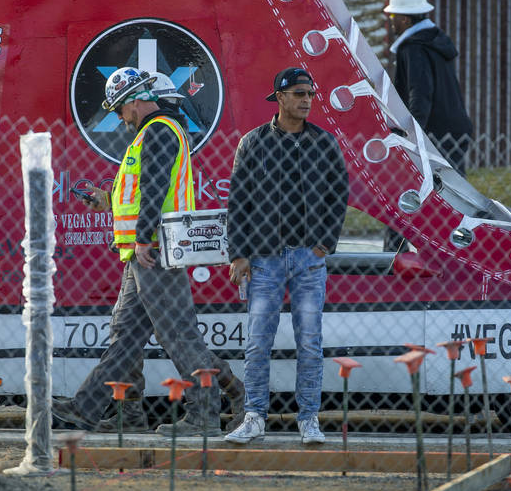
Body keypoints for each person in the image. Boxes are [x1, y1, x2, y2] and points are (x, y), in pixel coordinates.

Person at [52, 67, 232, 436]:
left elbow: (153, 189)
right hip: (145, 251)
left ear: (136, 100)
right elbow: (137, 193)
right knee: (125, 335)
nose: (119, 117)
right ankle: (94, 408)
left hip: (156, 248)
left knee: (178, 334)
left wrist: (144, 237)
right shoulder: (149, 135)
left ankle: (204, 415)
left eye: (121, 109)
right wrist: (107, 200)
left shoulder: (159, 131)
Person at [224, 67, 349, 446]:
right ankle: (254, 417)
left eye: (310, 93)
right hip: (264, 259)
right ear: (279, 97)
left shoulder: (324, 143)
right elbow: (238, 203)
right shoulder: (254, 143)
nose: (307, 100)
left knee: (309, 341)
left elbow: (338, 196)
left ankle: (308, 418)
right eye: (298, 93)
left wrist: (323, 245)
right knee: (258, 341)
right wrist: (239, 254)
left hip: (310, 259)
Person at [384, 0, 473, 175]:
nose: (391, 21)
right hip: (454, 129)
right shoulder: (434, 42)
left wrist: (413, 134)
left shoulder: (414, 48)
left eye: (393, 16)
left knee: (439, 192)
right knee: (454, 190)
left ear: (405, 19)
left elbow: (420, 91)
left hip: (435, 133)